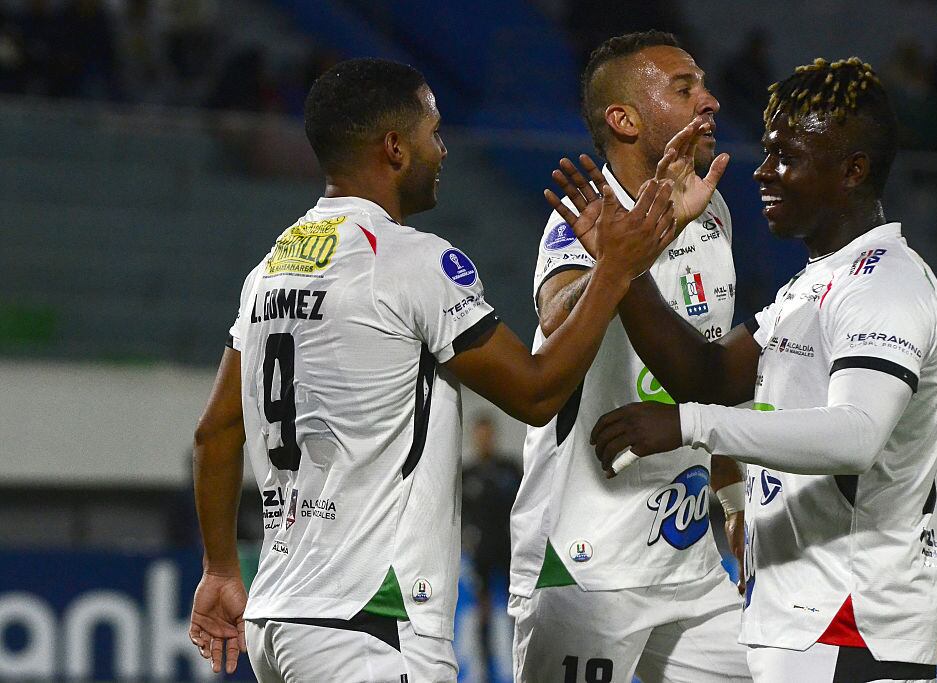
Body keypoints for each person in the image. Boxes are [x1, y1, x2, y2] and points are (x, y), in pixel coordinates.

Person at [186, 57, 694, 681]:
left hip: (279, 616)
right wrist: (615, 270)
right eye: (433, 132)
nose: (444, 150)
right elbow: (536, 393)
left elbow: (215, 433)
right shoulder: (409, 261)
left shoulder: (270, 269)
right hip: (370, 622)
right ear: (395, 148)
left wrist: (218, 569)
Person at [582, 58, 937, 682]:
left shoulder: (886, 282)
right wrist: (625, 270)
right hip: (800, 623)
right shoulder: (814, 284)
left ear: (852, 170)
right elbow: (710, 374)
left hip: (854, 630)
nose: (763, 173)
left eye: (787, 157)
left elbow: (855, 435)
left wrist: (689, 427)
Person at [509, 30, 751, 683]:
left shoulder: (714, 210)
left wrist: (731, 499)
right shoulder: (585, 218)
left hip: (686, 558)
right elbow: (558, 318)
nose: (711, 100)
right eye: (685, 88)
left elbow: (711, 366)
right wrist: (637, 244)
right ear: (625, 118)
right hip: (586, 562)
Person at [461, 413, 522, 682]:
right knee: (483, 615)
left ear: (493, 435)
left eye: (487, 434)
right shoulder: (467, 475)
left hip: (511, 553)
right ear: (474, 437)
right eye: (479, 434)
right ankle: (486, 672)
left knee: (518, 613)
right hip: (482, 556)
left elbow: (527, 506)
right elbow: (458, 517)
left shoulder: (510, 469)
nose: (484, 440)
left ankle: (522, 667)